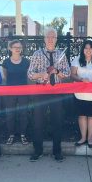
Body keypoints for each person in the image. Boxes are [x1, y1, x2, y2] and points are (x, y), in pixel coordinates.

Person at [27, 27, 70, 162]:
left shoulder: (61, 55)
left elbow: (67, 73)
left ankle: (57, 151)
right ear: (44, 39)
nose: (51, 39)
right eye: (48, 37)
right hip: (41, 90)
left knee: (57, 122)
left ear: (56, 39)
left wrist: (56, 71)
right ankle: (37, 150)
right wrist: (41, 74)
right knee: (38, 122)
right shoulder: (37, 54)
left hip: (56, 91)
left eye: (53, 37)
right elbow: (30, 74)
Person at [71, 40, 92, 148]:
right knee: (82, 115)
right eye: (86, 48)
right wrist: (81, 79)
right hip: (79, 94)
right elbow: (72, 75)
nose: (88, 50)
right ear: (83, 50)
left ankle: (90, 138)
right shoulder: (76, 60)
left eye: (90, 48)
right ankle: (83, 138)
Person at [2, 40, 30, 145]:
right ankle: (11, 135)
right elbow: (5, 77)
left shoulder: (26, 62)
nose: (17, 49)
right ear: (10, 48)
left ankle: (23, 134)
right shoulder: (6, 62)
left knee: (23, 114)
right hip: (10, 92)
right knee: (10, 114)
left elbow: (28, 77)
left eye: (19, 47)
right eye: (15, 47)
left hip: (23, 92)